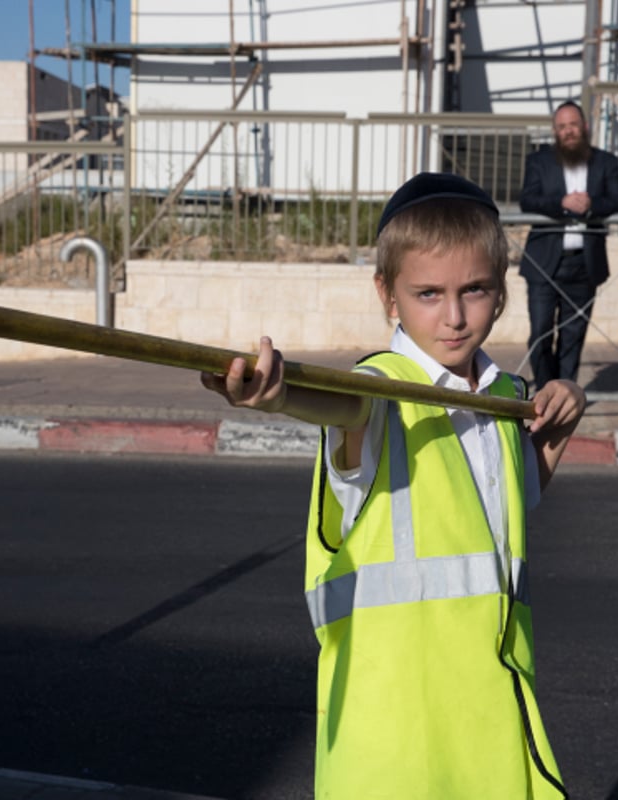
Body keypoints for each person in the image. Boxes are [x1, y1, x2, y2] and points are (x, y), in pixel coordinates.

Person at [202, 172, 584, 798]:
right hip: (396, 737)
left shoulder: (509, 400)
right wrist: (278, 395)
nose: (455, 316)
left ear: (503, 290)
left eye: (475, 290)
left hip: (492, 717)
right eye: (428, 293)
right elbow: (341, 407)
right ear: (388, 294)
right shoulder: (377, 389)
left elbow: (506, 507)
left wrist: (563, 415)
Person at [519, 100, 618, 390]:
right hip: (544, 261)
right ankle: (545, 390)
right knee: (540, 332)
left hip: (584, 264)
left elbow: (617, 200)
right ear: (555, 131)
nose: (568, 132)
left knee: (573, 335)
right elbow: (527, 199)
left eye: (573, 125)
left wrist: (591, 206)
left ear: (585, 127)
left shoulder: (606, 162)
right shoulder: (539, 161)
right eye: (562, 127)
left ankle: (565, 395)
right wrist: (561, 203)